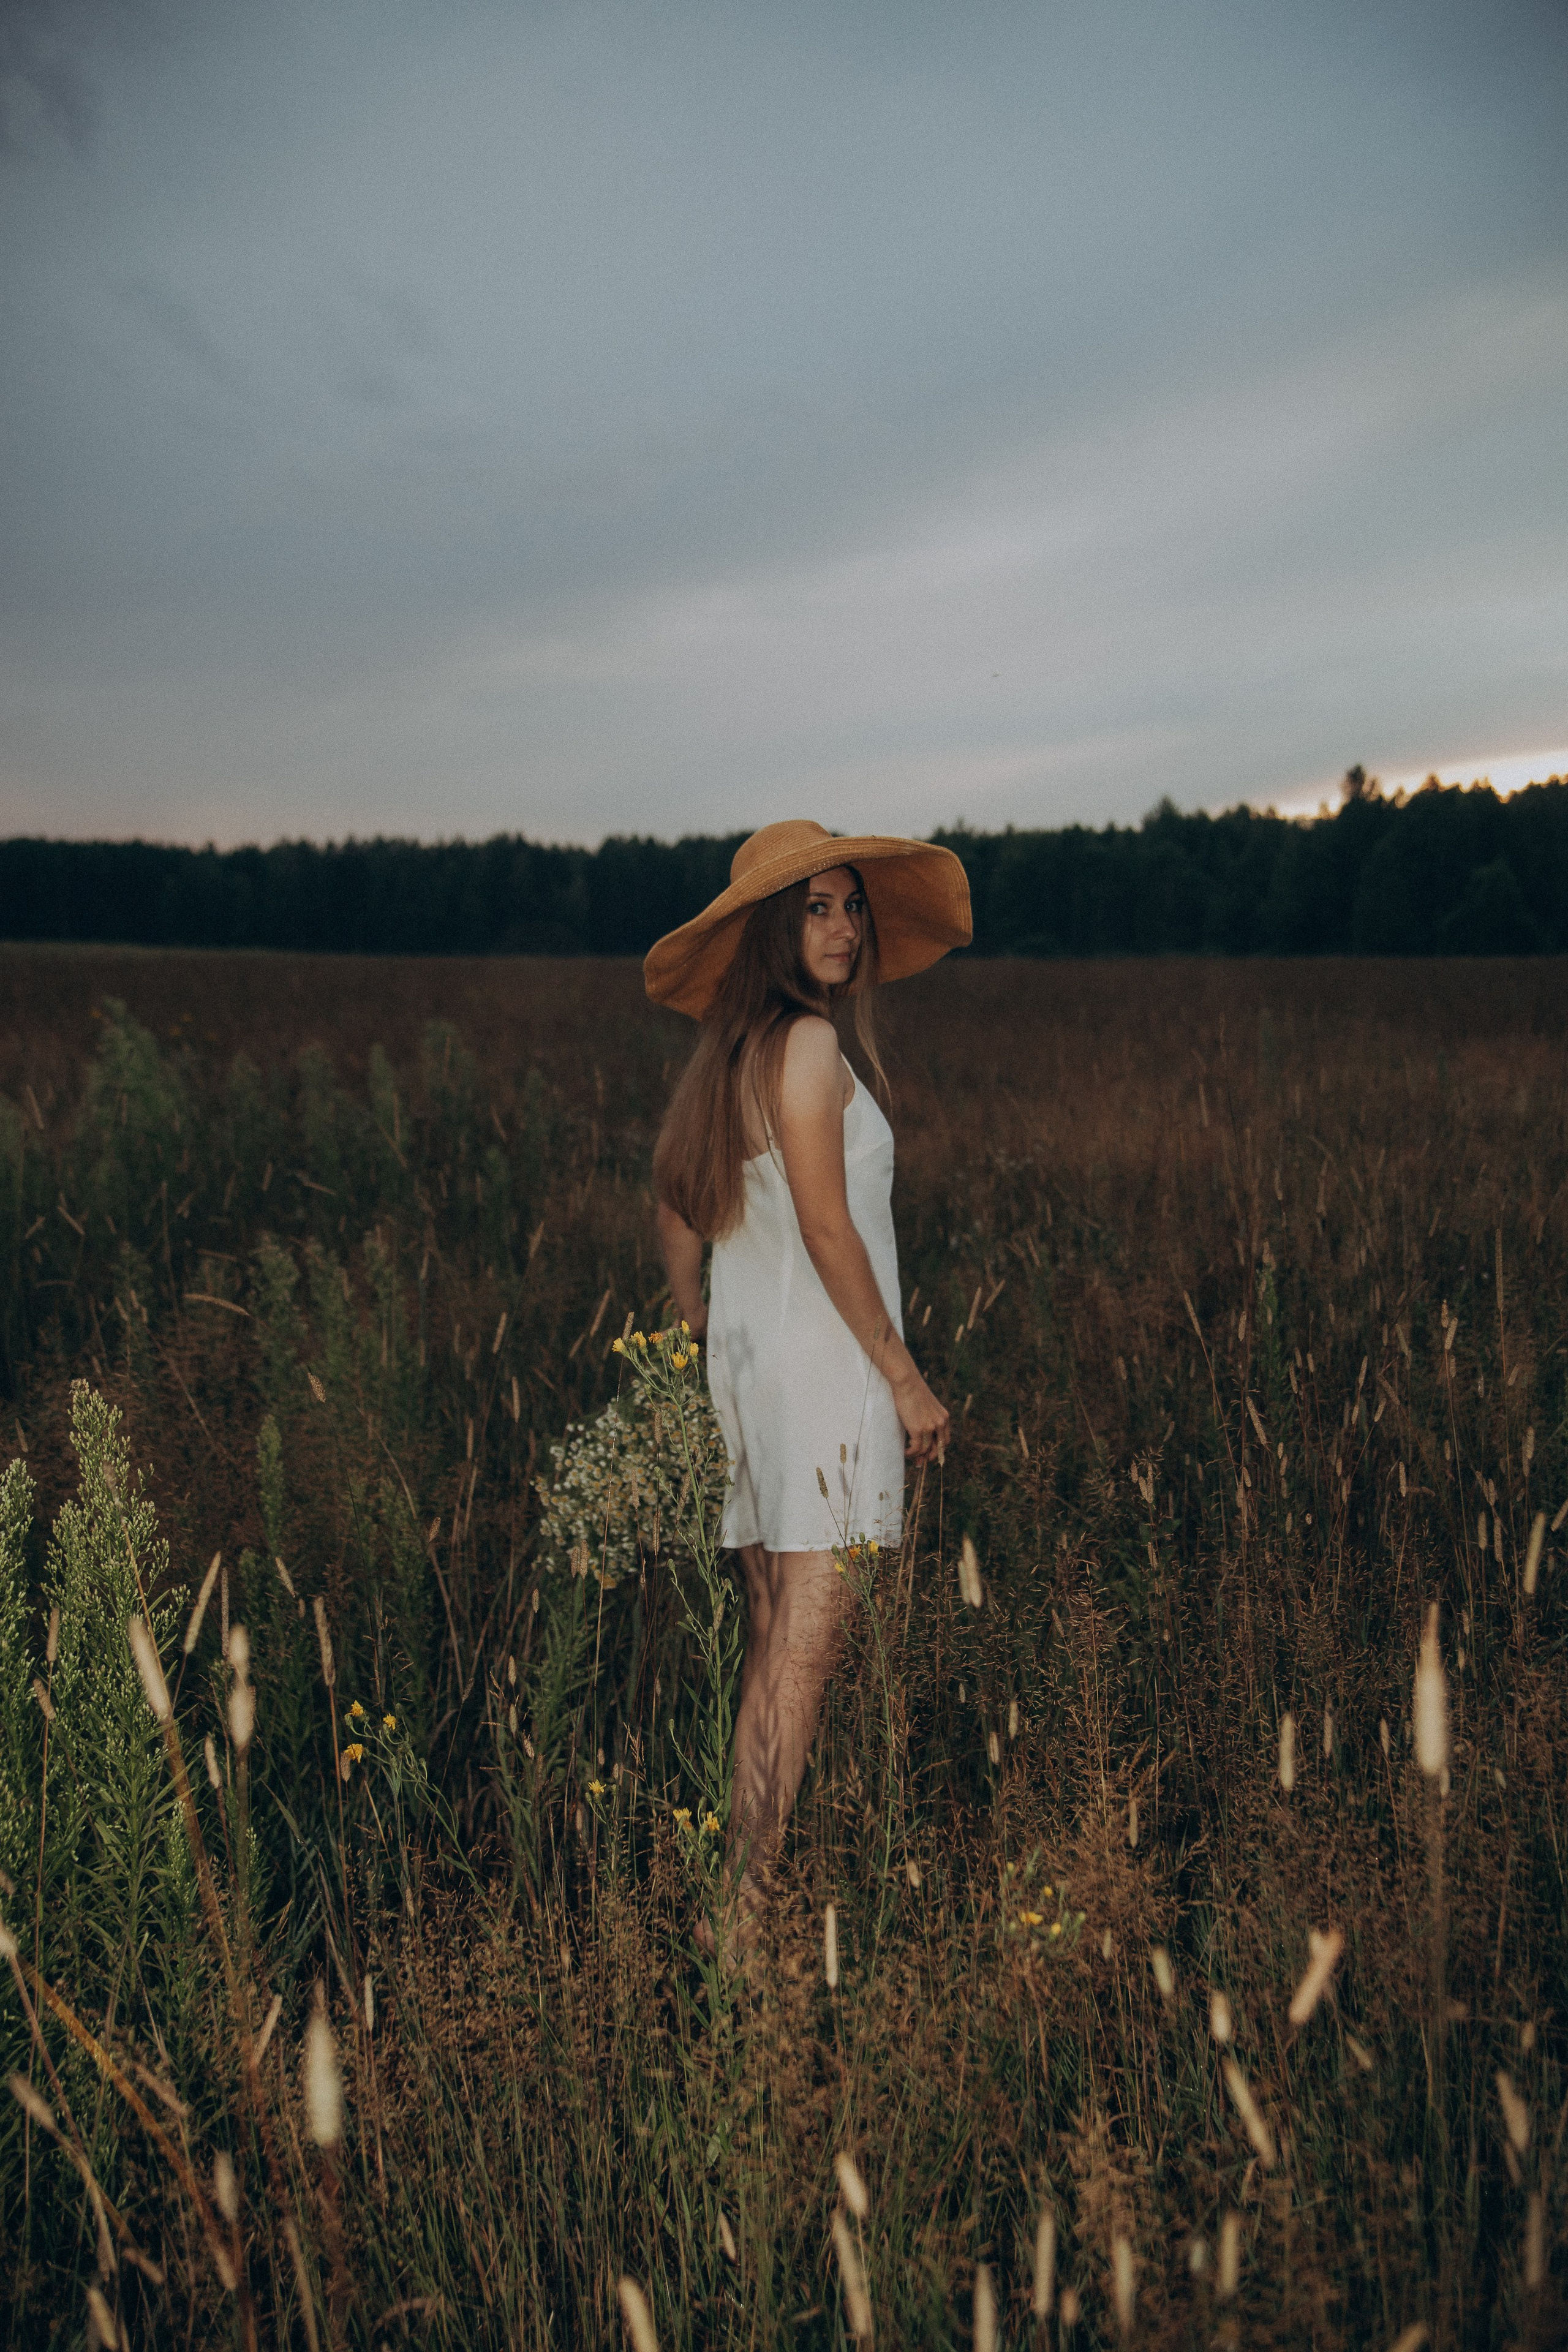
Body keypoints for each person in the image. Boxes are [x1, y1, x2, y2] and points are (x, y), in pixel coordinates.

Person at [644, 818, 971, 1948]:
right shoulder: (812, 1050)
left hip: (756, 1368)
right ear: (772, 934)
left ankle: (734, 1910)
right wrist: (905, 1375)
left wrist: (704, 1331)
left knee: (774, 1637)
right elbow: (829, 1226)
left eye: (849, 906)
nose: (839, 928)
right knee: (804, 1653)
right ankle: (742, 1929)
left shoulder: (731, 1056)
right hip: (826, 1372)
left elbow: (676, 1209)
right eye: (814, 910)